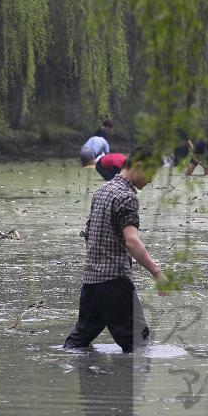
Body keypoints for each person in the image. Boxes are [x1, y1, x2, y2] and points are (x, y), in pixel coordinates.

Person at [64, 146, 165, 353]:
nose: (151, 180)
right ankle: (118, 385)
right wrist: (156, 272)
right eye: (151, 173)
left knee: (78, 343)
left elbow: (89, 234)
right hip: (115, 284)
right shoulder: (127, 197)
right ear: (138, 166)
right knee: (139, 345)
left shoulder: (101, 191)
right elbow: (132, 242)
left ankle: (85, 380)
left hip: (91, 282)